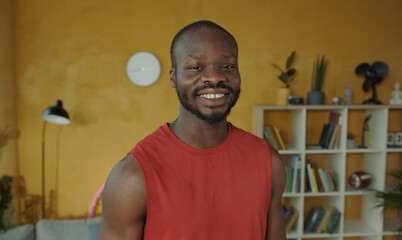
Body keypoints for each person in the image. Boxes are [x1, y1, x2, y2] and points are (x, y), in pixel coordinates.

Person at [97, 20, 287, 240]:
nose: (215, 77)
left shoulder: (268, 161)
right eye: (196, 67)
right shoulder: (131, 177)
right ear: (173, 78)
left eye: (227, 66)